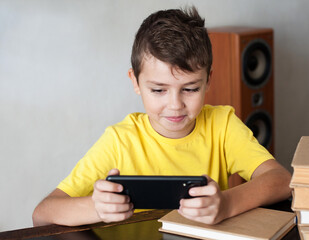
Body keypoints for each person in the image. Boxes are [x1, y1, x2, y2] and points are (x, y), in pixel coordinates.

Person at [32, 6, 291, 227]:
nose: (175, 105)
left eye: (190, 89)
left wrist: (226, 204)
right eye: (158, 90)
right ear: (135, 82)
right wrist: (95, 208)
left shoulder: (222, 125)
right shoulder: (119, 141)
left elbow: (281, 180)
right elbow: (42, 214)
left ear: (208, 81)